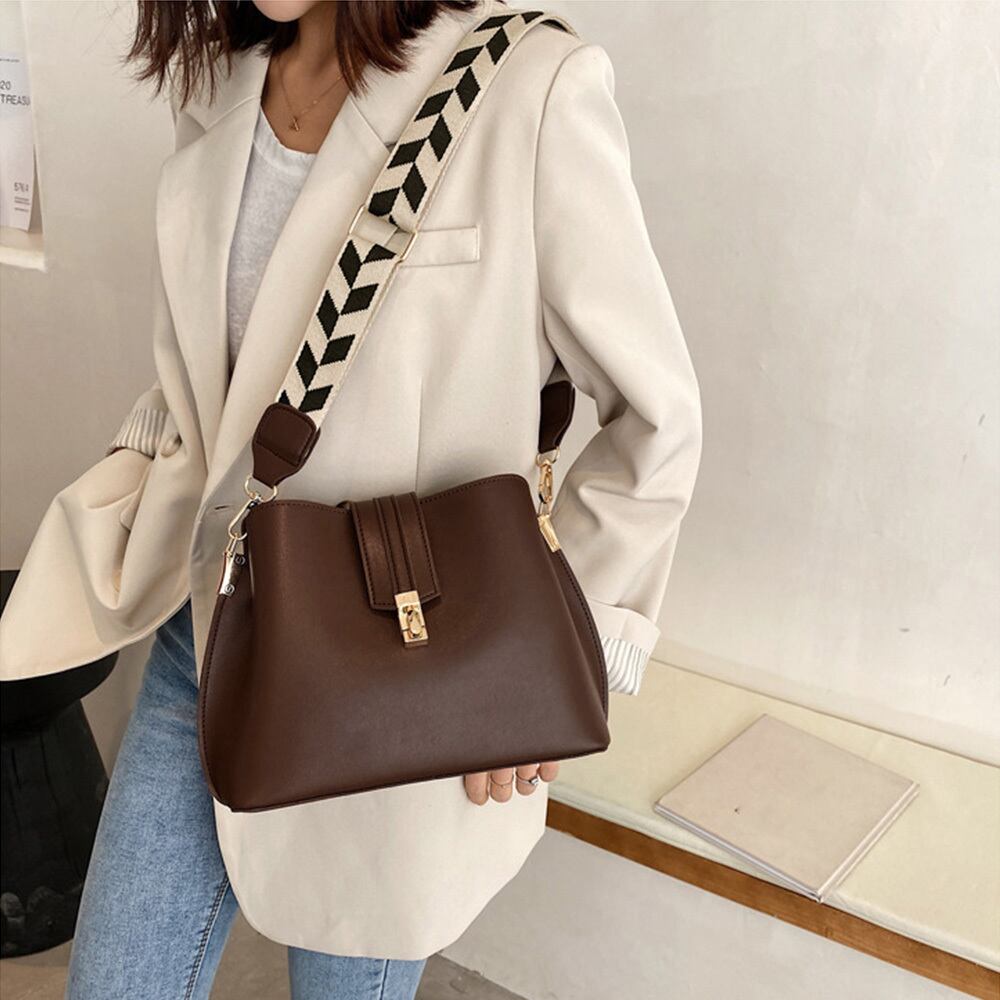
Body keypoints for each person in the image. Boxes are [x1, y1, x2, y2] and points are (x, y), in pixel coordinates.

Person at [0, 0, 703, 997]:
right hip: (208, 638)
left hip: (401, 669)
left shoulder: (527, 86)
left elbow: (657, 417)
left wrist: (533, 670)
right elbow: (220, 377)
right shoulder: (223, 85)